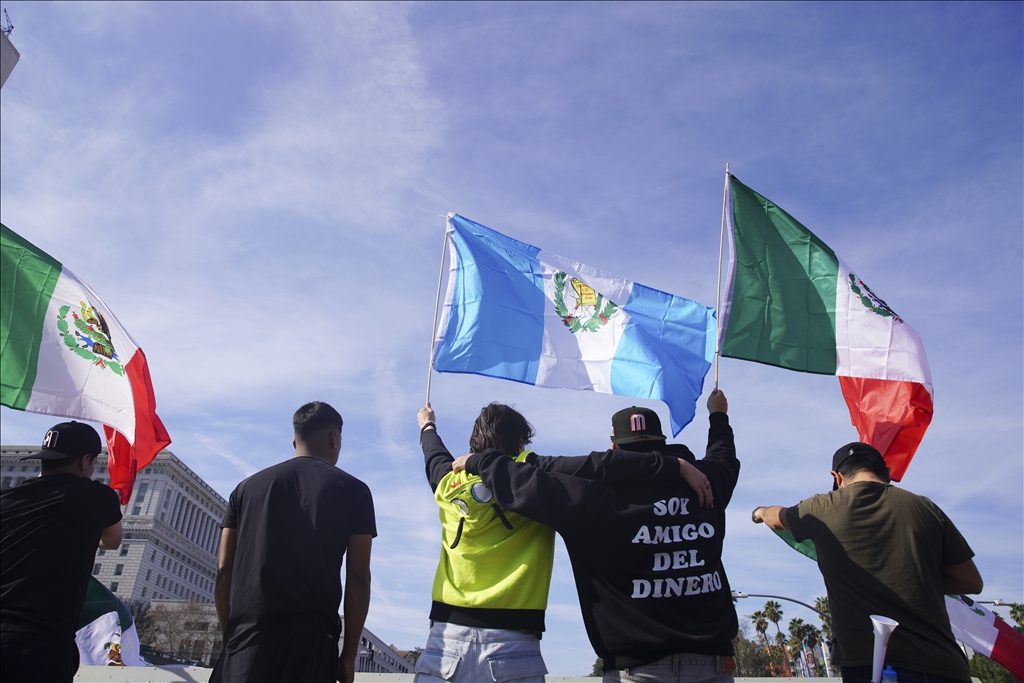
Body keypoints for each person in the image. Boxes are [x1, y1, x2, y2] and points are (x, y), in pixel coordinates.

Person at [448, 389, 738, 683]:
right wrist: (718, 416)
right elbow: (723, 453)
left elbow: (522, 482)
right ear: (663, 442)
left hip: (635, 670)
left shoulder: (590, 498)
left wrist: (480, 461)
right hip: (714, 665)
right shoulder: (707, 482)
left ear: (613, 448)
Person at [751, 441, 983, 683]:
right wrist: (915, 577)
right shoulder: (926, 508)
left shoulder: (821, 508)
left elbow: (777, 516)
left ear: (837, 477)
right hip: (945, 666)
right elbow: (970, 582)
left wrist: (759, 512)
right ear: (888, 473)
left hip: (872, 667)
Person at [211, 402, 375, 683]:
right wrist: (348, 656)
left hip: (247, 642)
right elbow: (358, 578)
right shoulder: (355, 492)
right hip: (311, 644)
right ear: (334, 438)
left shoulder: (245, 489)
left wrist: (231, 637)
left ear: (294, 439)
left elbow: (224, 569)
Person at [1, 421, 123, 683]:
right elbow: (112, 541)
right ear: (85, 461)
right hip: (38, 647)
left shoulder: (5, 500)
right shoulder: (96, 497)